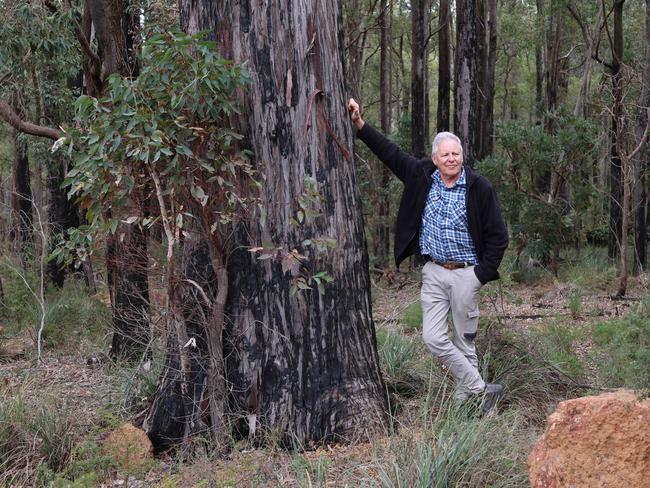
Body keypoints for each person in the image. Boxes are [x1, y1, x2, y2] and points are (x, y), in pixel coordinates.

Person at [348, 98, 508, 414]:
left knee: (465, 343)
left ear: (463, 157)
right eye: (445, 154)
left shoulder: (479, 188)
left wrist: (479, 275)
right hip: (434, 272)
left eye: (456, 154)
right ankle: (480, 388)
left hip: (466, 273)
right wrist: (360, 126)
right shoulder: (421, 175)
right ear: (435, 158)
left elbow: (499, 238)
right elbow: (389, 152)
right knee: (433, 338)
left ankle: (471, 409)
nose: (451, 159)